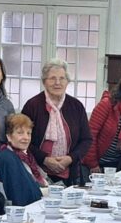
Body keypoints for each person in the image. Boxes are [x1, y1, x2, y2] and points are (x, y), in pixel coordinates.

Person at [22, 58, 93, 186]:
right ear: (44, 81)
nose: (57, 83)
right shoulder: (32, 105)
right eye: (52, 78)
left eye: (62, 78)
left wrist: (70, 158)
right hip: (37, 171)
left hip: (71, 172)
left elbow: (86, 139)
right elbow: (22, 140)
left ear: (67, 82)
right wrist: (44, 159)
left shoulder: (76, 106)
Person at [83, 74, 121, 172]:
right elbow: (90, 134)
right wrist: (93, 164)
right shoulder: (107, 104)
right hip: (96, 163)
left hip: (118, 165)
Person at [0, 113, 45, 207]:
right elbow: (17, 195)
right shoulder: (7, 158)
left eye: (28, 133)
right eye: (20, 133)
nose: (26, 138)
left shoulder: (27, 156)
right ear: (9, 136)